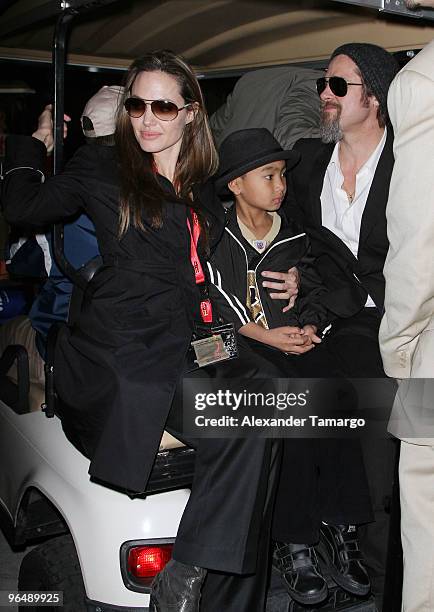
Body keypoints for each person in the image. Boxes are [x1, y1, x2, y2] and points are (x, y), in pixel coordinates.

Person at [2, 50, 284, 612]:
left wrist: (268, 313)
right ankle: (193, 570)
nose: (146, 118)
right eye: (136, 104)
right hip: (126, 346)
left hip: (193, 337)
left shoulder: (203, 182)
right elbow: (24, 205)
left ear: (191, 114)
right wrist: (36, 142)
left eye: (161, 106)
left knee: (277, 390)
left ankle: (213, 569)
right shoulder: (102, 165)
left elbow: (203, 275)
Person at [210, 127, 373, 606]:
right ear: (237, 185)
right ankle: (293, 537)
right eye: (269, 175)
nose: (281, 185)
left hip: (293, 342)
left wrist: (311, 326)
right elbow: (212, 303)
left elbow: (320, 286)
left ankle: (342, 527)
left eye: (282, 174)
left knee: (339, 393)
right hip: (242, 347)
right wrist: (265, 335)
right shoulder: (216, 234)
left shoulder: (296, 234)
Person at [283, 42, 400, 604]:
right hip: (319, 320)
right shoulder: (305, 160)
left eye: (337, 86)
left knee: (380, 455)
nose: (323, 96)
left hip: (389, 326)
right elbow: (271, 223)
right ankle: (309, 536)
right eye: (322, 85)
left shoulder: (410, 163)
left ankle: (380, 578)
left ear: (374, 98)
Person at [0, 86, 122, 391]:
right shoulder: (162, 190)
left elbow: (17, 260)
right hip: (134, 343)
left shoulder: (65, 199)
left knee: (8, 330)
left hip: (69, 347)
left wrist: (38, 151)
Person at [378, 3, 434, 609]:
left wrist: (398, 351)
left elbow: (418, 241)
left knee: (427, 502)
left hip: (431, 348)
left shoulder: (423, 82)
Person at [210, 65, 322, 149]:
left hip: (229, 170)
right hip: (262, 172)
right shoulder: (316, 85)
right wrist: (338, 137)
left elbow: (212, 128)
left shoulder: (249, 80)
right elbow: (292, 138)